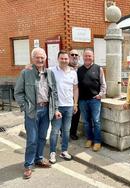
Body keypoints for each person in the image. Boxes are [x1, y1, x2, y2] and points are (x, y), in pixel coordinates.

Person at [14, 47, 61, 179]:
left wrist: (56, 109)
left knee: (42, 137)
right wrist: (25, 106)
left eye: (42, 57)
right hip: (32, 111)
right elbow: (18, 92)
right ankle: (28, 165)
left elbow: (54, 93)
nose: (40, 60)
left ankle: (39, 159)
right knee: (32, 139)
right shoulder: (26, 73)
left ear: (45, 59)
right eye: (37, 57)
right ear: (32, 59)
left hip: (46, 110)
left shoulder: (50, 73)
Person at [49, 50, 78, 164]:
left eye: (66, 58)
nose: (64, 60)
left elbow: (75, 88)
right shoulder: (51, 71)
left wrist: (75, 103)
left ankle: (64, 151)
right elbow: (39, 70)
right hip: (57, 107)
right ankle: (52, 152)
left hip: (69, 106)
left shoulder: (73, 72)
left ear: (69, 60)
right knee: (55, 131)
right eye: (62, 58)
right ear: (58, 59)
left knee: (66, 131)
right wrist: (29, 66)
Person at [78, 48, 107, 152]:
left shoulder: (98, 68)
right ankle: (89, 139)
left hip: (94, 100)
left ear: (93, 57)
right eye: (86, 55)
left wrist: (100, 94)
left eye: (89, 56)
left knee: (96, 121)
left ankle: (97, 141)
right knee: (86, 122)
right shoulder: (79, 70)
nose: (88, 58)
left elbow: (103, 84)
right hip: (82, 100)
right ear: (83, 57)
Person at [69, 49, 81, 140]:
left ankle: (73, 132)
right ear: (69, 57)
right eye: (72, 54)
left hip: (79, 96)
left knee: (76, 115)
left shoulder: (81, 68)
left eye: (76, 55)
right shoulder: (64, 67)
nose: (74, 56)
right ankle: (63, 132)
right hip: (67, 96)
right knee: (66, 115)